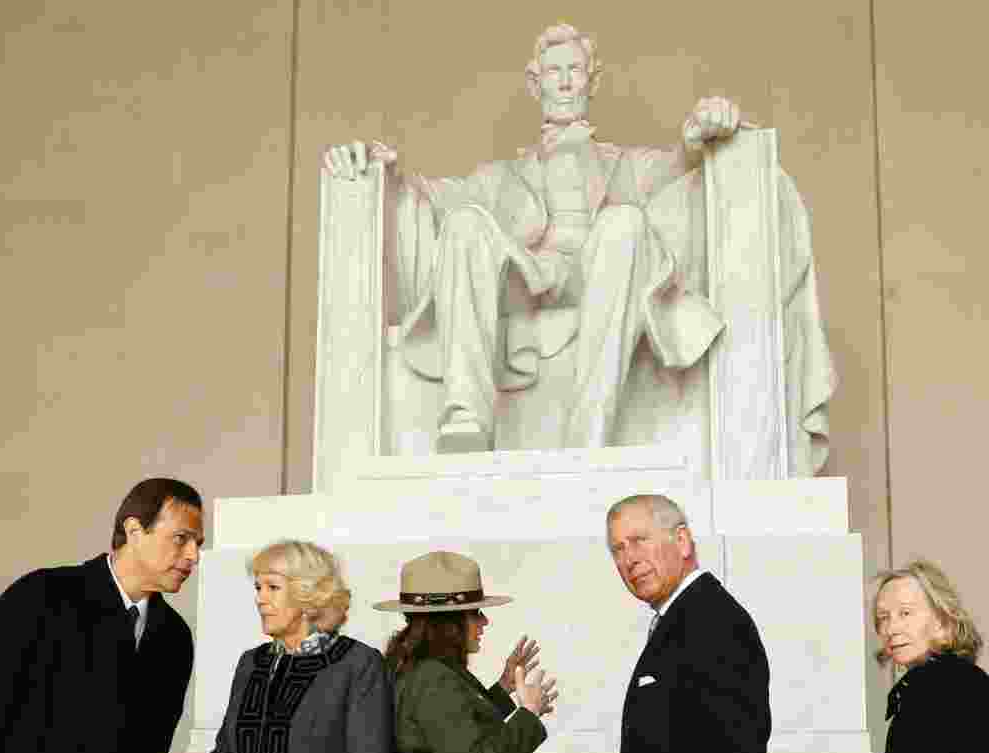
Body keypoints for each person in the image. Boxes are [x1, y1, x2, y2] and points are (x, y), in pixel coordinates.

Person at [324, 23, 835, 466]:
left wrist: (705, 129)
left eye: (575, 69)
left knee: (625, 224)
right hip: (526, 276)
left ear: (593, 80)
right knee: (463, 224)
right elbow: (428, 198)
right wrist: (377, 170)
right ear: (535, 82)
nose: (565, 80)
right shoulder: (500, 178)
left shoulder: (627, 165)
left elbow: (684, 167)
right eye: (554, 71)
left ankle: (588, 436)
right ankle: (465, 416)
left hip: (603, 273)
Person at [0, 477, 204, 753]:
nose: (194, 556)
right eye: (182, 538)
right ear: (134, 531)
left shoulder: (175, 638)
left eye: (198, 544)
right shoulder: (38, 597)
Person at [607, 493, 770, 753]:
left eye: (639, 541)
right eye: (618, 549)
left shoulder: (715, 622)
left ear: (682, 541)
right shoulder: (683, 618)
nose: (629, 559)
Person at [205, 540, 393, 753]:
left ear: (307, 595)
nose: (260, 599)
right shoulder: (251, 662)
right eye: (258, 587)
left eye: (272, 587)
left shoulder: (357, 664)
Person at [374, 550, 558, 753]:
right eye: (475, 613)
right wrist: (529, 713)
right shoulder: (432, 678)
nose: (485, 621)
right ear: (448, 622)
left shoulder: (425, 669)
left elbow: (456, 731)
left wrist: (503, 687)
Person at [873, 559, 989, 753]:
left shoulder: (964, 689)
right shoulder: (917, 690)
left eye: (905, 613)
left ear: (942, 621)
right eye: (883, 617)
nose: (891, 628)